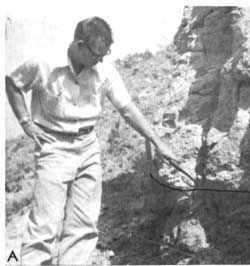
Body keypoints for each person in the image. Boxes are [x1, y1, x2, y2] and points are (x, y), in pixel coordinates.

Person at [5, 16, 177, 265]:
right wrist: (25, 122)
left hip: (88, 147)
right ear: (79, 45)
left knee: (84, 224)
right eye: (96, 54)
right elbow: (12, 82)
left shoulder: (105, 70)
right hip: (53, 146)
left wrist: (158, 142)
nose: (101, 60)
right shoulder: (43, 63)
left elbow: (127, 108)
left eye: (104, 53)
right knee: (45, 226)